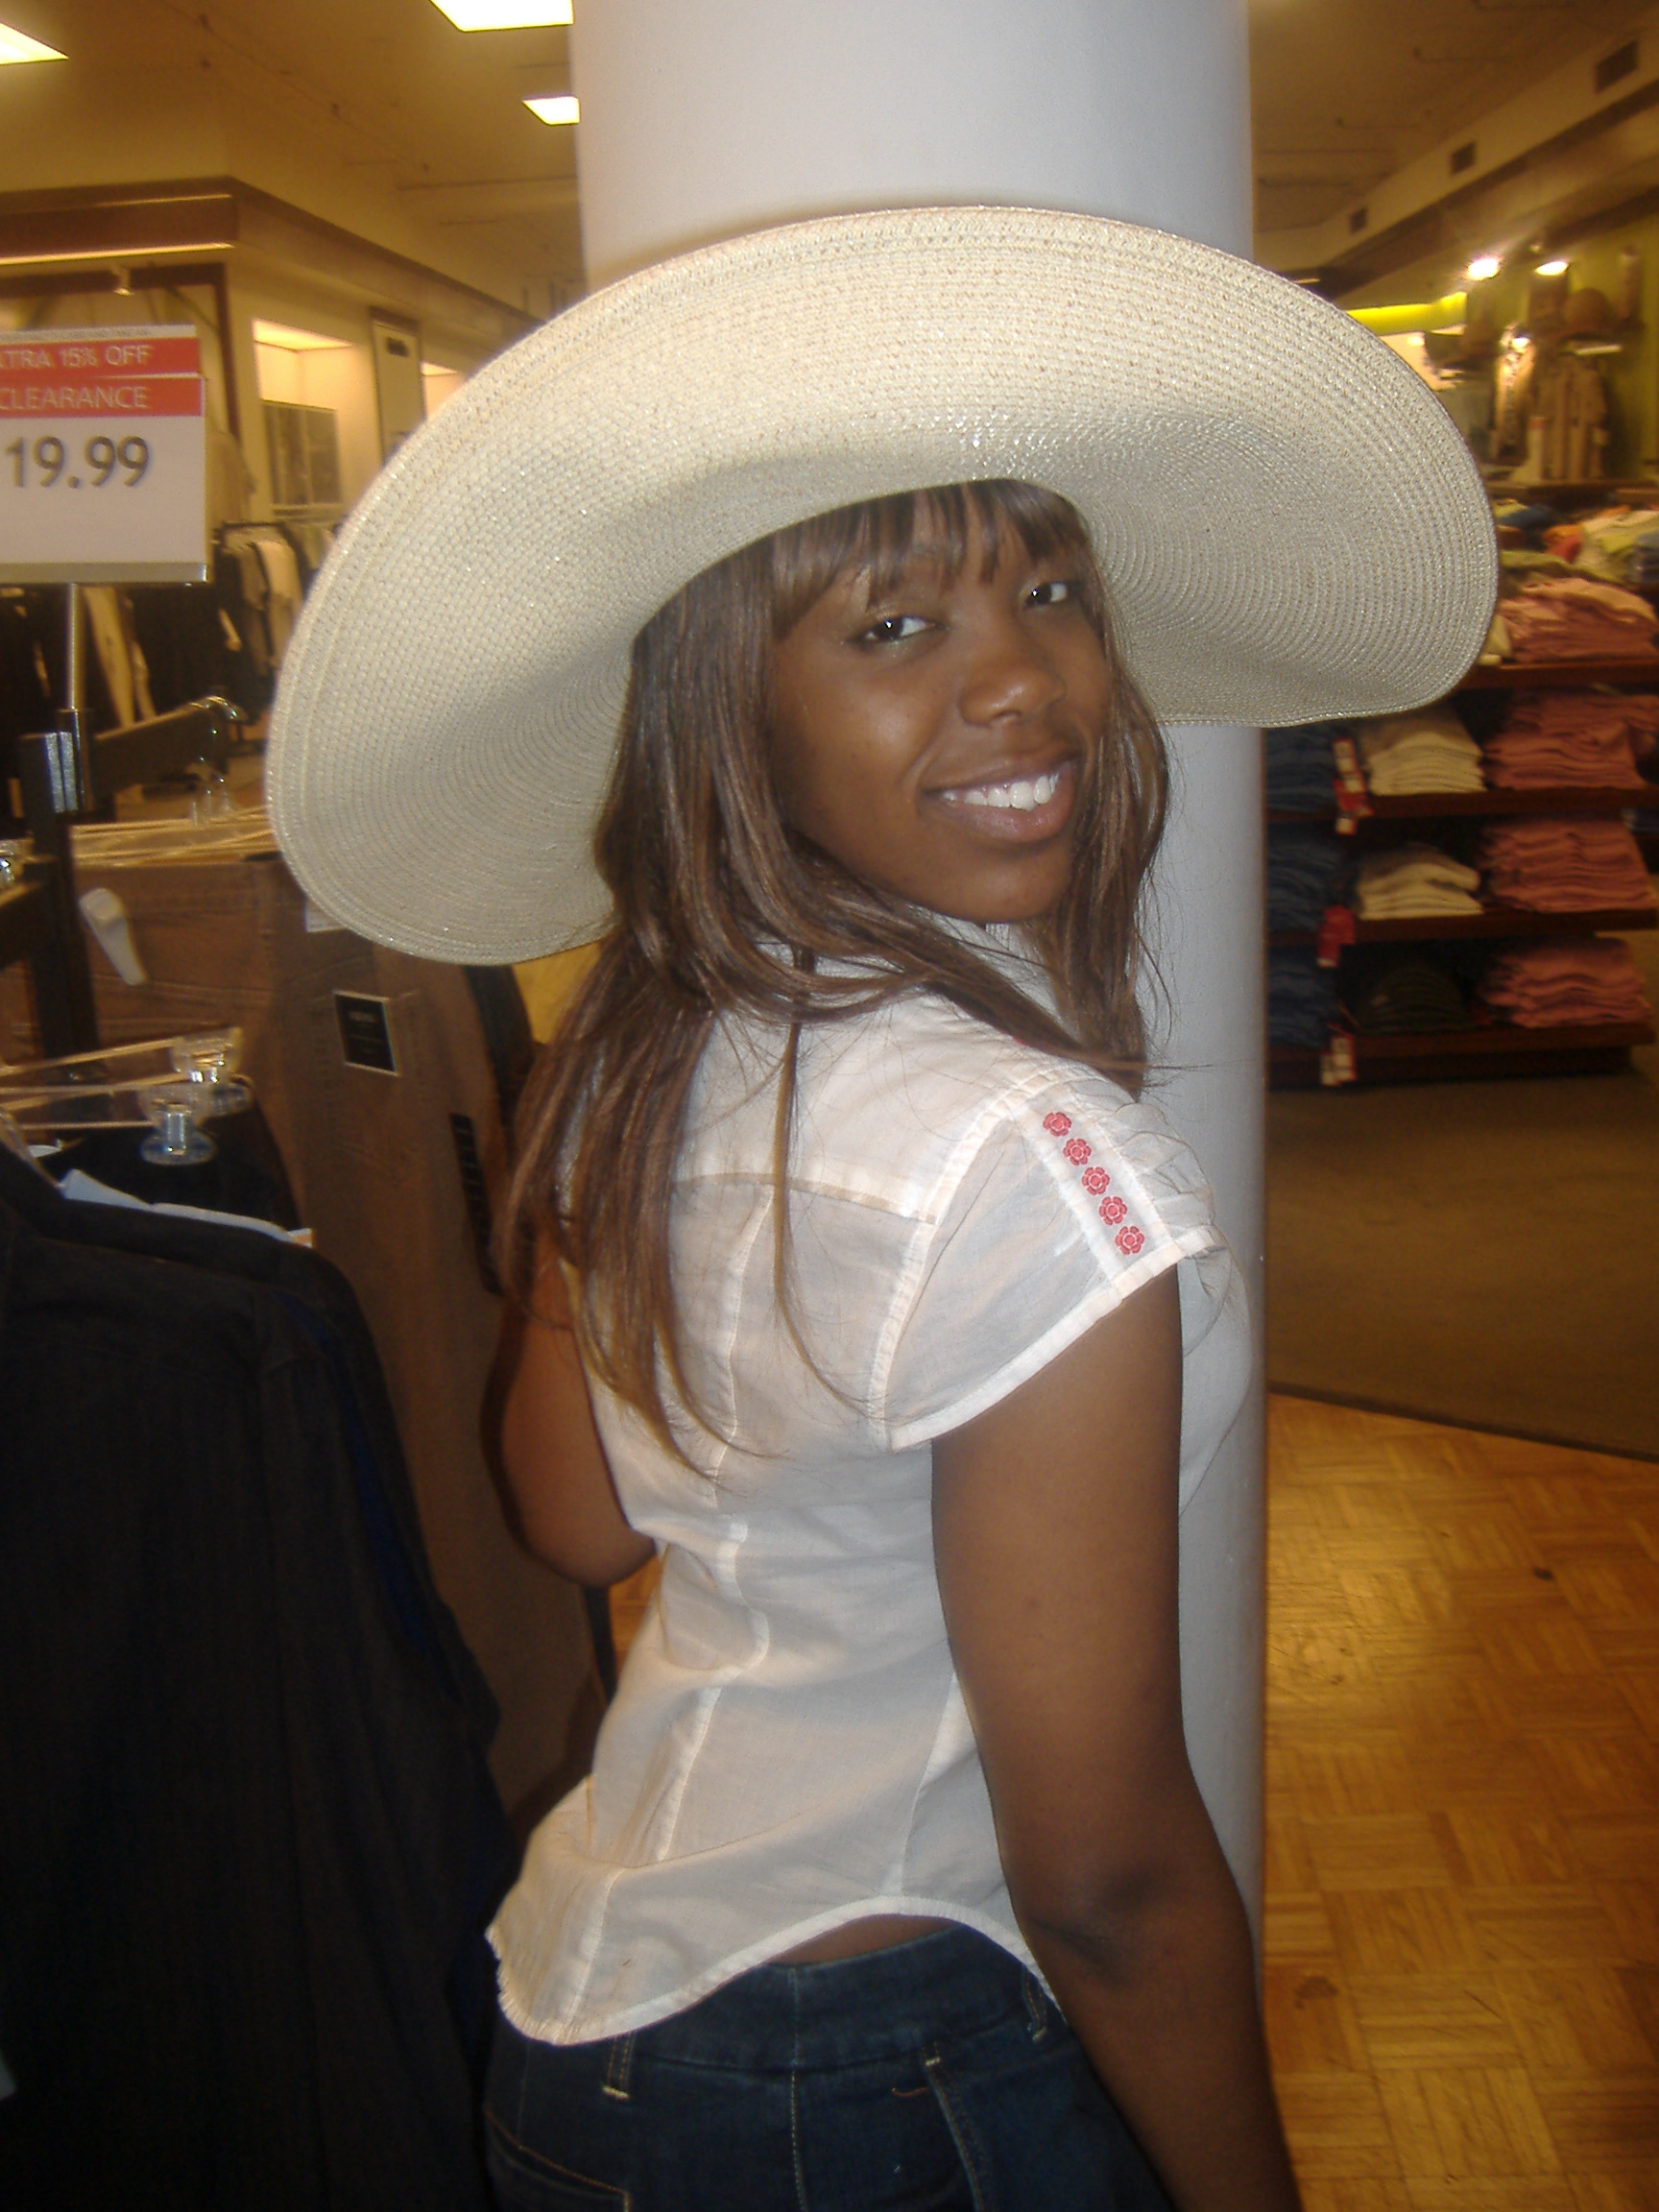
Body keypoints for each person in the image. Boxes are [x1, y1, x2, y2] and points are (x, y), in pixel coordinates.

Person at [267, 206, 1495, 2212]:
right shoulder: (1026, 1172)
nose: (1027, 682)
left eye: (1052, 588)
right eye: (894, 628)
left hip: (591, 2036)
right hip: (864, 2069)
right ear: (728, 710)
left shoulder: (648, 1057)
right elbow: (1102, 1879)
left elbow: (577, 1521)